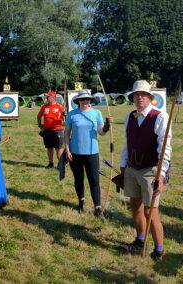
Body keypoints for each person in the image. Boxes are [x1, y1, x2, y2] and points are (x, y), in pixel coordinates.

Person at [120, 80, 171, 261]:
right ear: (133, 97)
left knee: (151, 211)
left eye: (143, 94)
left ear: (150, 97)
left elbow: (165, 148)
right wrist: (122, 164)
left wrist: (162, 174)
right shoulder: (129, 117)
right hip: (132, 168)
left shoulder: (160, 117)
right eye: (136, 94)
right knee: (135, 207)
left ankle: (158, 250)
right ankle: (140, 240)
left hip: (151, 170)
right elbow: (127, 143)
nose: (139, 97)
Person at [64, 90, 112, 220]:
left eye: (87, 99)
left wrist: (107, 125)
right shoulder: (72, 115)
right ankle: (81, 202)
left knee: (94, 180)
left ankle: (97, 208)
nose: (85, 101)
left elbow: (101, 132)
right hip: (75, 153)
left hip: (92, 152)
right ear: (78, 101)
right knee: (78, 179)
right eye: (82, 99)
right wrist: (67, 150)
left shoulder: (96, 113)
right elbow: (67, 134)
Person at [37, 90, 65, 168]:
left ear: (53, 98)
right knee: (49, 147)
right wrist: (40, 124)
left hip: (58, 130)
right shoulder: (44, 106)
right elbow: (39, 116)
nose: (47, 98)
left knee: (58, 148)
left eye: (48, 96)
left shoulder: (60, 107)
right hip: (47, 130)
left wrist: (65, 116)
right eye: (47, 96)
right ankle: (50, 163)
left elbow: (65, 120)